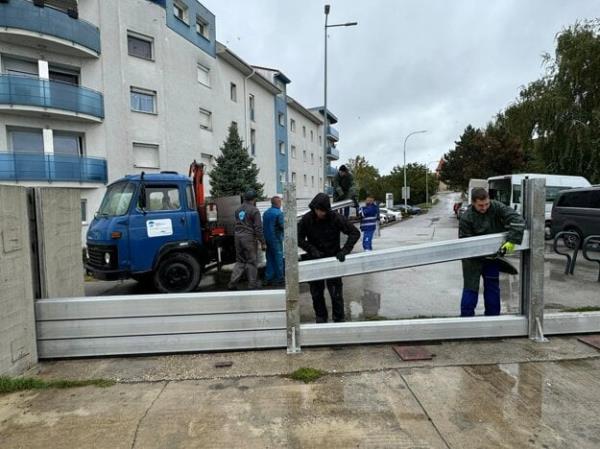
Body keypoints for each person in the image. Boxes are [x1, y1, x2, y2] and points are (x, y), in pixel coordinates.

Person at [459, 187, 525, 317]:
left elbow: (518, 220)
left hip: (493, 257)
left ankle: (493, 320)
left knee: (492, 288)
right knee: (470, 288)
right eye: (480, 205)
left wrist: (511, 241)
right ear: (473, 203)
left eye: (486, 204)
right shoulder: (466, 217)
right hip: (472, 259)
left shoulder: (496, 207)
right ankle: (466, 321)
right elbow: (465, 244)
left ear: (489, 200)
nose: (484, 207)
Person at [298, 193, 360, 323]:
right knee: (316, 293)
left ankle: (339, 319)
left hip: (333, 260)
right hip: (314, 260)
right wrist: (311, 249)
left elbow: (354, 233)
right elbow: (298, 238)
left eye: (323, 211)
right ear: (314, 208)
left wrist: (344, 251)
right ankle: (321, 318)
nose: (321, 213)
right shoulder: (307, 219)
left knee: (336, 293)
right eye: (318, 210)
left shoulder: (335, 218)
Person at [228, 189, 266, 290]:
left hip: (238, 237)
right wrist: (263, 242)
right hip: (248, 238)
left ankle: (232, 284)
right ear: (254, 199)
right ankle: (252, 285)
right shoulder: (254, 210)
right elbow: (258, 228)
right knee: (252, 262)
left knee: (240, 261)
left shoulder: (238, 210)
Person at [262, 195, 285, 286]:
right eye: (280, 202)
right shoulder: (279, 213)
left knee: (270, 258)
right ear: (278, 203)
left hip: (267, 239)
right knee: (278, 259)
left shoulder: (266, 213)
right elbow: (283, 226)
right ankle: (280, 278)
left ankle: (268, 278)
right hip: (276, 239)